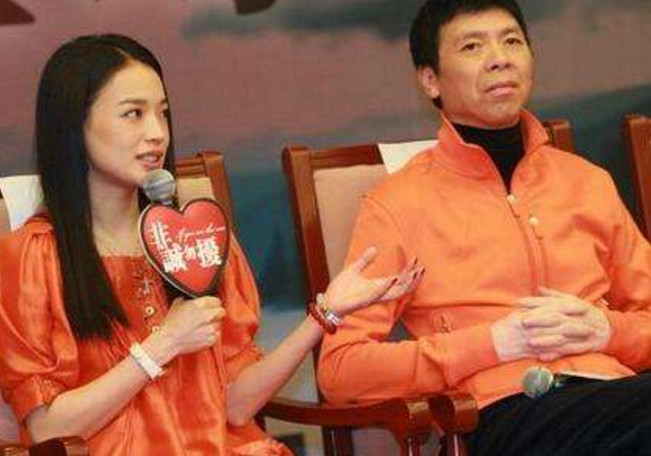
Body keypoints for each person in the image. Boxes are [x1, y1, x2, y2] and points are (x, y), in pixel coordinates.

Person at [0, 34, 422, 456]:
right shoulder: (33, 258)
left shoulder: (197, 240)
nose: (156, 134)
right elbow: (46, 428)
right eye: (133, 114)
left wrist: (325, 313)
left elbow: (236, 406)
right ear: (74, 126)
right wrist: (161, 346)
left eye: (163, 113)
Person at [317, 1, 651, 454]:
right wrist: (491, 343)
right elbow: (341, 370)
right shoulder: (397, 203)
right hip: (502, 415)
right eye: (472, 47)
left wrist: (607, 331)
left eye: (511, 41)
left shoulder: (587, 181)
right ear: (430, 80)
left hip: (614, 397)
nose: (499, 59)